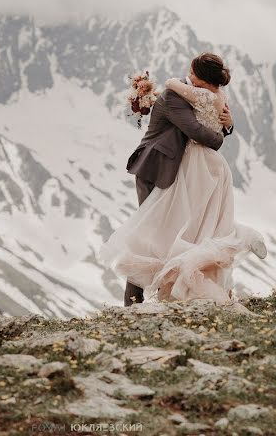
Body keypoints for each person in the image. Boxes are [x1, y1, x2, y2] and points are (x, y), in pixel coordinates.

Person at [98, 52, 267, 306]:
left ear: (198, 77)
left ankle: (171, 293)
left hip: (183, 171)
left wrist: (227, 125)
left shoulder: (193, 94)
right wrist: (223, 134)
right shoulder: (173, 96)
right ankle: (134, 302)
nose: (188, 75)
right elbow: (201, 133)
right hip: (156, 169)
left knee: (181, 231)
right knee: (149, 235)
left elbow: (207, 126)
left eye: (192, 72)